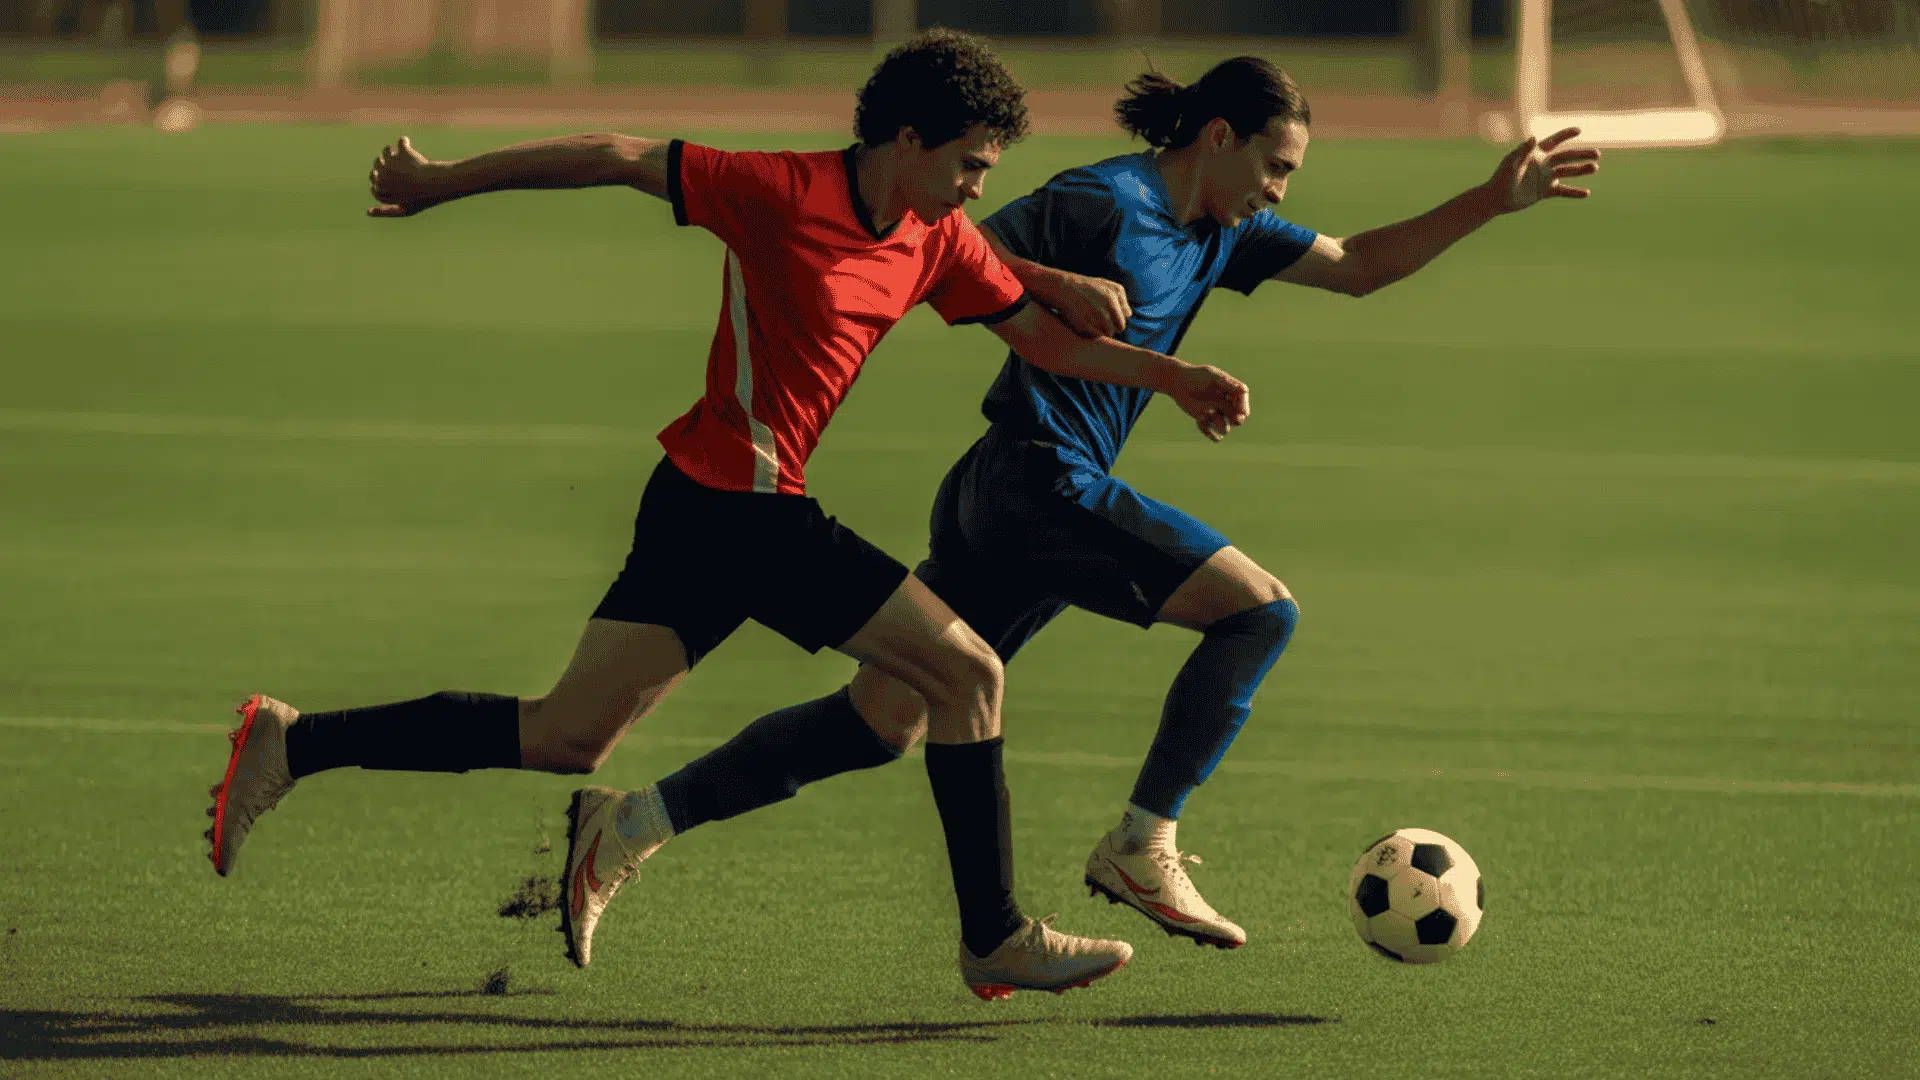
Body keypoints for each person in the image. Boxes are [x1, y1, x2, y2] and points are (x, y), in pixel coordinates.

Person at [201, 30, 1255, 1000]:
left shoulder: (937, 235)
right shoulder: (777, 190)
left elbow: (1042, 340)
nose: (981, 185)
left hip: (705, 508)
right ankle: (994, 936)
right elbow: (614, 154)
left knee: (566, 735)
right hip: (745, 508)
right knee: (968, 671)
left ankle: (293, 743)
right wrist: (440, 184)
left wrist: (1172, 377)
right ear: (906, 139)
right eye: (972, 162)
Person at [574, 56, 1600, 954]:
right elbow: (942, 242)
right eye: (1276, 166)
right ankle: (1142, 845)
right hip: (1035, 480)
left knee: (879, 722)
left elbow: (1360, 267)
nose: (1282, 189)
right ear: (1217, 136)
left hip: (1002, 496)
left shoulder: (1223, 231)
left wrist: (1487, 199)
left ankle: (632, 822)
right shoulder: (1106, 201)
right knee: (1258, 611)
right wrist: (1052, 277)